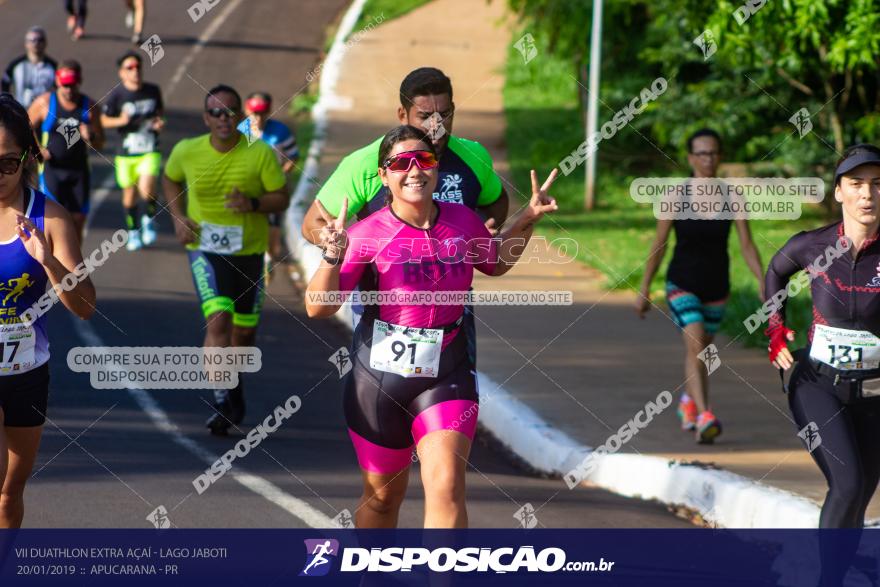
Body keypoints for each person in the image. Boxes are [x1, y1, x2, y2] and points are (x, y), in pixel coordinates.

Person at [305, 125, 558, 528]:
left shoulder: (462, 220)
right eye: (400, 163)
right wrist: (332, 257)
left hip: (447, 372)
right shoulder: (364, 236)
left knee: (446, 485)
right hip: (379, 381)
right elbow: (318, 309)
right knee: (383, 498)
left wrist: (527, 218)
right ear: (384, 175)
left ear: (436, 167)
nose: (414, 170)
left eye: (423, 160)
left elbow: (494, 262)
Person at [301, 67, 509, 366]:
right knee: (386, 400)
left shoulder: (473, 156)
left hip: (452, 310)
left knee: (453, 398)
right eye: (425, 116)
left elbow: (497, 200)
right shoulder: (364, 163)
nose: (437, 126)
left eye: (445, 114)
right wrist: (338, 245)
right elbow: (313, 224)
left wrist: (488, 226)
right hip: (382, 309)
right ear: (403, 114)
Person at [162, 85, 289, 436]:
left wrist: (251, 203)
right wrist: (178, 216)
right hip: (205, 250)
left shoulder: (260, 154)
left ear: (241, 116)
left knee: (244, 334)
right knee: (219, 322)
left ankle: (233, 386)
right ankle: (222, 399)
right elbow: (170, 178)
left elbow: (281, 197)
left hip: (248, 252)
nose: (223, 118)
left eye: (230, 111)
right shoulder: (187, 151)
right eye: (216, 112)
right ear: (206, 118)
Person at [0, 93, 96, 528]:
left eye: (7, 163)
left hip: (25, 371)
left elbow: (85, 306)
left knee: (7, 495)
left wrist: (49, 261)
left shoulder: (50, 217)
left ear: (26, 157)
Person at [635, 128, 764, 444]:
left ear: (720, 156)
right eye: (702, 153)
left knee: (703, 350)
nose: (709, 158)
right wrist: (645, 287)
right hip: (682, 282)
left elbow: (747, 245)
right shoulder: (675, 196)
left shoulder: (732, 197)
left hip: (717, 285)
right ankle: (706, 415)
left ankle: (688, 402)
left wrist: (764, 281)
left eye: (714, 152)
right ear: (691, 158)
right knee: (695, 342)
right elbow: (659, 245)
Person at [28, 60, 104, 243]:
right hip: (52, 170)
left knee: (77, 220)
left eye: (73, 84)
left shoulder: (90, 107)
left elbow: (101, 143)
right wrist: (37, 148)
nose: (69, 90)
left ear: (80, 81)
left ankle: (73, 265)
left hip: (78, 171)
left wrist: (91, 136)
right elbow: (24, 126)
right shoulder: (45, 103)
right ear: (58, 82)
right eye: (65, 85)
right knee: (51, 219)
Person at [101, 51, 163, 251]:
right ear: (121, 73)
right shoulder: (116, 95)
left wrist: (160, 124)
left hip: (149, 149)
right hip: (126, 153)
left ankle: (148, 219)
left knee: (147, 188)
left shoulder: (153, 90)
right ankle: (133, 230)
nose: (135, 71)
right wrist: (120, 120)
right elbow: (102, 120)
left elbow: (160, 114)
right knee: (129, 195)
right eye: (129, 68)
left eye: (137, 67)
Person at [238, 92, 298, 268]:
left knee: (273, 223)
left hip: (273, 188)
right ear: (246, 110)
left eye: (262, 112)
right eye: (254, 112)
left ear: (269, 110)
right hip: (248, 186)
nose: (258, 117)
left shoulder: (280, 131)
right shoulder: (241, 131)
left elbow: (293, 157)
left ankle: (269, 260)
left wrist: (281, 175)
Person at [1, 28, 56, 109]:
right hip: (21, 112)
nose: (36, 43)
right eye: (32, 40)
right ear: (26, 43)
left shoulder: (53, 66)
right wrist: (7, 104)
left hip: (44, 112)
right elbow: (4, 83)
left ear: (45, 43)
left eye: (40, 40)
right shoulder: (16, 65)